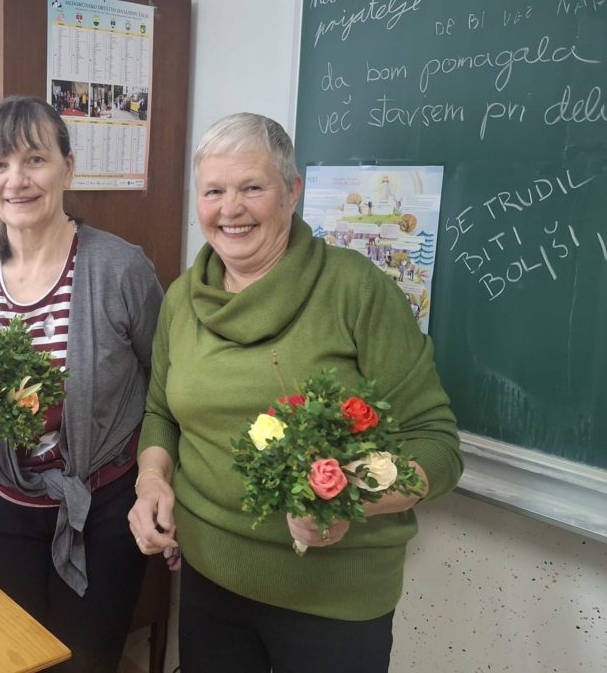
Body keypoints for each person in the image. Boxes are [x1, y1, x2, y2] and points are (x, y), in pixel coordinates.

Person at [128, 112, 461, 673]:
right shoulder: (183, 299)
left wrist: (348, 499)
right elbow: (162, 413)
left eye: (252, 188)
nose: (230, 209)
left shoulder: (355, 290)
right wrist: (151, 482)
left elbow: (437, 446)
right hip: (210, 579)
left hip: (334, 600)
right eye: (214, 191)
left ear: (292, 192)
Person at [0, 95, 164, 672]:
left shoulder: (121, 269)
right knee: (17, 657)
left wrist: (158, 481)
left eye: (35, 159)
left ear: (67, 168)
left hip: (104, 509)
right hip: (7, 506)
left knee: (87, 662)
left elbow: (164, 388)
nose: (16, 180)